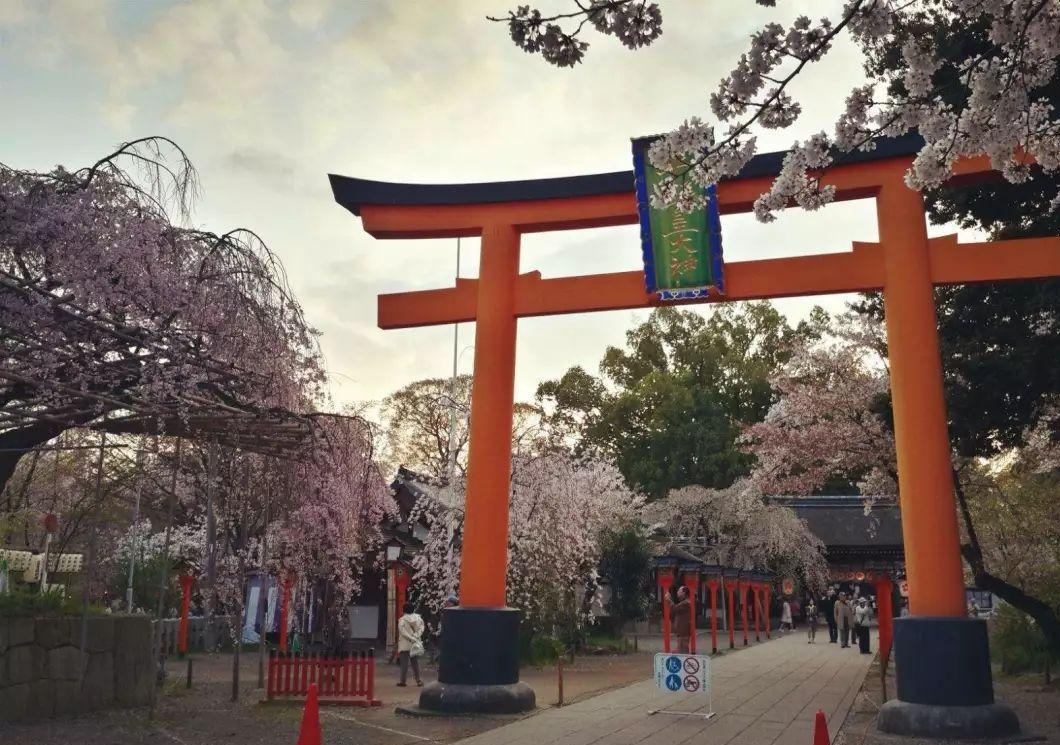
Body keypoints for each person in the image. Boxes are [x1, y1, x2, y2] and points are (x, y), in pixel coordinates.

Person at [397, 601, 425, 687]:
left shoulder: (402, 620)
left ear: (403, 610)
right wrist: (416, 636)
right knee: (415, 663)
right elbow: (422, 628)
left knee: (404, 664)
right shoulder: (418, 618)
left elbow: (403, 632)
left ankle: (403, 681)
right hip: (415, 644)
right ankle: (418, 680)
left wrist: (411, 638)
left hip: (405, 644)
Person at [670, 586, 692, 653]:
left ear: (684, 593)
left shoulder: (686, 603)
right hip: (681, 633)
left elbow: (675, 608)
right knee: (680, 650)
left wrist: (669, 600)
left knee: (683, 651)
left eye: (679, 591)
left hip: (684, 633)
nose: (677, 592)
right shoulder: (683, 603)